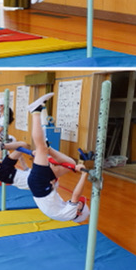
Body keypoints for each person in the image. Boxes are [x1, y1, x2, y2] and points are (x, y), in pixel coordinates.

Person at [26, 92, 90, 222]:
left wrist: (84, 175)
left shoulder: (70, 214)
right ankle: (49, 149)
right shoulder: (64, 212)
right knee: (71, 164)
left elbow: (76, 194)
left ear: (78, 212)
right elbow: (51, 201)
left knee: (40, 147)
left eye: (80, 204)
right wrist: (54, 184)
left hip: (40, 185)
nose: (78, 202)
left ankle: (35, 112)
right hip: (43, 186)